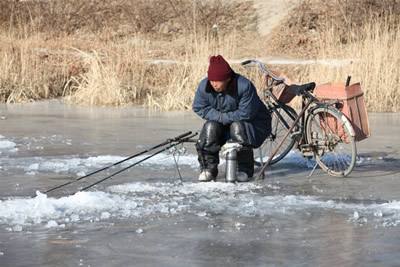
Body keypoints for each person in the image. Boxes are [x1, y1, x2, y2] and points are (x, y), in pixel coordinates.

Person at [192, 55, 271, 182]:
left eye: (217, 81)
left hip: (253, 125)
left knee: (237, 127)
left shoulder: (244, 86)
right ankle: (208, 169)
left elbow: (246, 113)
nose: (214, 84)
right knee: (210, 127)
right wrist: (219, 117)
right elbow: (199, 107)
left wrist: (223, 118)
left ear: (227, 79)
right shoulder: (204, 86)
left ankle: (244, 169)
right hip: (224, 126)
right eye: (211, 80)